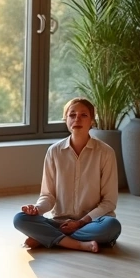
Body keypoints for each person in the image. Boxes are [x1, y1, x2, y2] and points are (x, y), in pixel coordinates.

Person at [14, 98, 121, 253]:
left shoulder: (106, 153)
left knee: (112, 227)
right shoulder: (54, 152)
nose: (77, 119)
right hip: (60, 222)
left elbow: (109, 202)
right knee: (20, 218)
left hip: (93, 222)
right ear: (66, 120)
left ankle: (48, 238)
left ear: (92, 121)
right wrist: (36, 209)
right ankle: (77, 243)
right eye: (72, 115)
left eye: (83, 115)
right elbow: (48, 196)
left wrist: (80, 222)